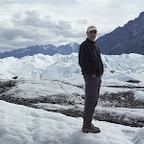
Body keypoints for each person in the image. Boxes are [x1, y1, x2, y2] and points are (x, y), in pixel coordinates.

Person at [78, 25, 104, 133]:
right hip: (91, 77)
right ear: (87, 33)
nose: (93, 34)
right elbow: (82, 61)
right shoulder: (84, 45)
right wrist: (91, 73)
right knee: (91, 100)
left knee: (94, 100)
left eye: (94, 32)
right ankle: (87, 125)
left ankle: (88, 123)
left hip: (97, 77)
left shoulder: (95, 45)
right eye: (90, 32)